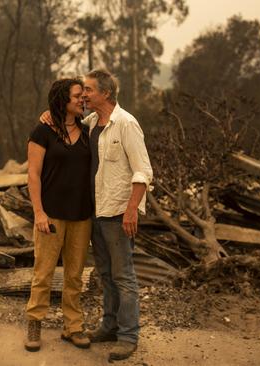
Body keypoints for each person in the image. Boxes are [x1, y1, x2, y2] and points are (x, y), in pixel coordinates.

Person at [42, 70, 153, 361]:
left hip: (118, 213)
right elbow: (64, 120)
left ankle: (128, 336)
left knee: (124, 277)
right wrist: (48, 113)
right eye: (81, 93)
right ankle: (109, 326)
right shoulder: (90, 123)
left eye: (88, 90)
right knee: (106, 275)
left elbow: (143, 170)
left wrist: (132, 210)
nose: (84, 96)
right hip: (96, 212)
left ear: (105, 93)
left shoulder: (126, 124)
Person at [24, 78, 94, 352]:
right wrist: (39, 212)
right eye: (77, 96)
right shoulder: (42, 132)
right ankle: (34, 323)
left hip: (82, 215)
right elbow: (33, 175)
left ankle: (72, 327)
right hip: (51, 216)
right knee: (43, 274)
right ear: (63, 100)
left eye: (83, 96)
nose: (82, 100)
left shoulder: (88, 130)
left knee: (75, 276)